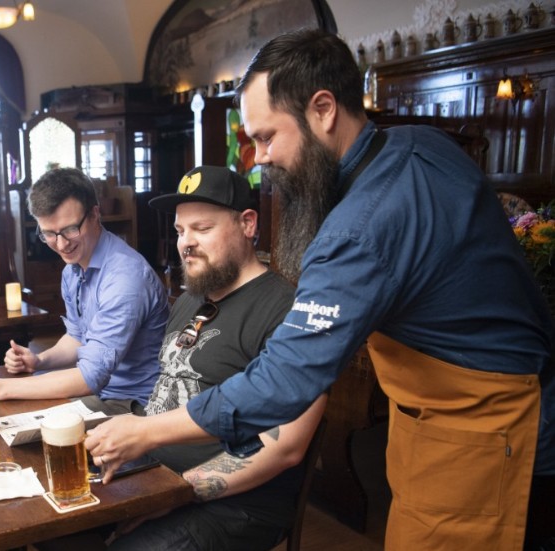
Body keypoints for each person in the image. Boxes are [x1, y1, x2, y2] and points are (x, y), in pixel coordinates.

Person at [86, 28, 554, 550]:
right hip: (462, 415)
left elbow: (284, 380)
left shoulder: (358, 229)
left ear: (323, 109)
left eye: (265, 137)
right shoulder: (418, 144)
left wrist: (147, 432)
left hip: (488, 435)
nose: (258, 157)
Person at [101, 166, 326, 550]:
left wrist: (171, 495)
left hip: (234, 505)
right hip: (155, 472)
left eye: (201, 229)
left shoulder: (290, 312)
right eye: (179, 231)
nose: (185, 243)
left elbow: (285, 446)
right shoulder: (191, 298)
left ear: (248, 224)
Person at [0, 168, 168, 414]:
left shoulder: (125, 278)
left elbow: (90, 377)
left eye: (70, 229)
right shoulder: (73, 268)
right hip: (101, 395)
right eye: (48, 233)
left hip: (137, 405)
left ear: (95, 214)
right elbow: (78, 338)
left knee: (14, 420)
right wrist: (40, 361)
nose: (61, 245)